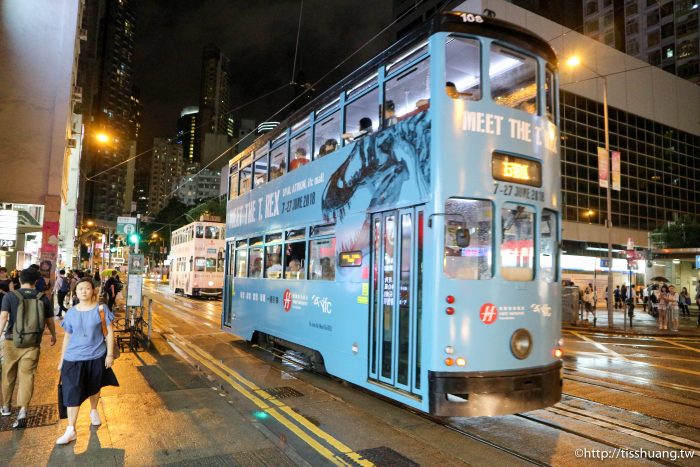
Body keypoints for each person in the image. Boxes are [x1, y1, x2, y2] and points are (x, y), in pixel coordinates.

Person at [56, 277, 119, 445]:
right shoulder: (71, 312)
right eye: (80, 289)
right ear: (75, 293)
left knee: (94, 387)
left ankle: (93, 410)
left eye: (87, 288)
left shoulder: (101, 309)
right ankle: (71, 429)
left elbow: (110, 332)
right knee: (72, 392)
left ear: (93, 291)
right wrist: (61, 360)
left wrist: (110, 354)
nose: (83, 291)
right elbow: (67, 337)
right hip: (73, 358)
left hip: (96, 355)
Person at [0, 267, 57, 428]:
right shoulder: (42, 298)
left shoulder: (11, 296)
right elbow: (49, 320)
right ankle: (23, 409)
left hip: (12, 341)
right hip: (32, 343)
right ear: (36, 281)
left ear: (19, 280)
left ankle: (5, 406)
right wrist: (53, 335)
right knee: (27, 376)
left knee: (8, 373)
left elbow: (3, 317)